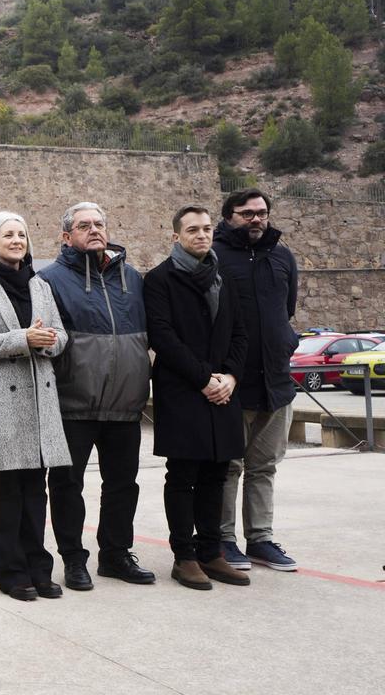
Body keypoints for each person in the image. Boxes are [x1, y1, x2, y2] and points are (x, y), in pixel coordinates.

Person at [40, 201, 156, 590]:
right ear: (66, 236)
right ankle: (74, 559)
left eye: (99, 223)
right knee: (67, 485)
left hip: (125, 403)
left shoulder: (134, 279)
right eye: (84, 225)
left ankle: (116, 554)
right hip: (74, 403)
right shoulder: (51, 280)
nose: (94, 230)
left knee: (123, 484)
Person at [0, 211, 72, 602]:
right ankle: (12, 573)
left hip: (38, 397)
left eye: (21, 234)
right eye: (8, 234)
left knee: (35, 491)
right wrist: (23, 338)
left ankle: (40, 569)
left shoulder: (40, 286)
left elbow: (60, 335)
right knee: (6, 490)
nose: (16, 240)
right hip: (0, 401)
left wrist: (50, 341)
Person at [144, 206, 250, 590]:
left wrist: (231, 377)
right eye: (192, 230)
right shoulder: (160, 279)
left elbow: (240, 333)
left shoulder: (224, 277)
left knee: (217, 473)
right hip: (183, 390)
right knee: (184, 474)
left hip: (223, 390)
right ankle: (184, 557)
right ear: (176, 237)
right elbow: (162, 336)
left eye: (207, 228)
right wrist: (204, 379)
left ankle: (212, 553)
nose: (202, 235)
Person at [213, 188, 300, 572]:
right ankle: (224, 539)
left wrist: (285, 345)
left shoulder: (282, 257)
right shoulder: (214, 257)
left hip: (276, 383)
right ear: (229, 216)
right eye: (246, 213)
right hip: (233, 383)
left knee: (264, 467)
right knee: (228, 465)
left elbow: (287, 309)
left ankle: (261, 539)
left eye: (261, 212)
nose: (256, 219)